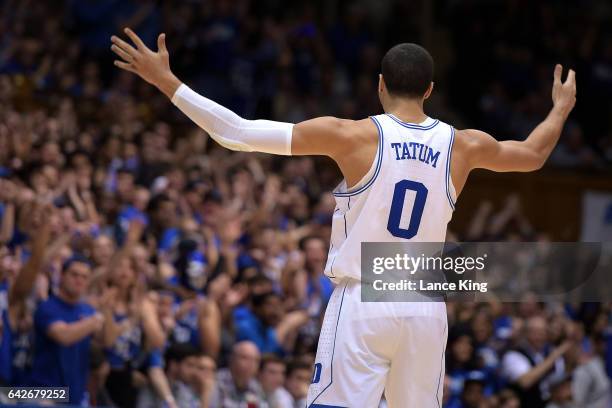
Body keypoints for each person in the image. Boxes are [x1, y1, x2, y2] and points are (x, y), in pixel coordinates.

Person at [111, 28, 576, 407]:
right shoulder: (464, 144)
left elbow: (238, 134)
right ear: (430, 91)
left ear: (380, 84)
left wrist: (167, 83)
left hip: (364, 297)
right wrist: (559, 109)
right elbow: (534, 154)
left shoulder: (353, 136)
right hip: (425, 303)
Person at [30, 255, 104, 406]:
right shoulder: (48, 307)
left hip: (76, 395)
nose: (79, 280)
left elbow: (107, 343)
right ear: (62, 276)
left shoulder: (88, 310)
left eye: (84, 277)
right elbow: (64, 336)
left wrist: (107, 311)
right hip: (45, 392)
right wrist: (94, 321)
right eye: (74, 274)